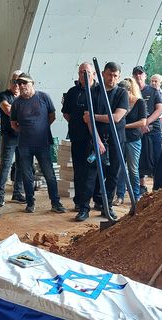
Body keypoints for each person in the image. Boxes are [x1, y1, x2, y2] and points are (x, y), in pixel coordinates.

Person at [10, 73, 66, 214]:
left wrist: (41, 128)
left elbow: (52, 116)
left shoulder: (43, 97)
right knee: (27, 175)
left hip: (42, 143)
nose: (22, 86)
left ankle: (55, 202)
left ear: (32, 83)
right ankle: (30, 203)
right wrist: (24, 132)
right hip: (24, 145)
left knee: (49, 174)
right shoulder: (17, 103)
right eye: (19, 83)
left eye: (25, 83)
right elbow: (13, 124)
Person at [62, 62, 108, 222]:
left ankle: (93, 204)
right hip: (78, 138)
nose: (84, 75)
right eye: (82, 72)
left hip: (96, 140)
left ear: (94, 74)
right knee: (80, 172)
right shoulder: (73, 92)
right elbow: (66, 114)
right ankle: (80, 203)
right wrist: (77, 124)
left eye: (88, 72)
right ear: (78, 74)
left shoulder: (101, 92)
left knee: (94, 174)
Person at [89, 62, 129, 219]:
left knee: (113, 173)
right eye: (109, 74)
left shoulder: (122, 93)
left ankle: (108, 205)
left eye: (115, 76)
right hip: (97, 138)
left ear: (118, 76)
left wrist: (95, 116)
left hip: (117, 139)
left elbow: (117, 118)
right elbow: (87, 118)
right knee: (96, 173)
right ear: (103, 74)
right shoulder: (94, 92)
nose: (112, 78)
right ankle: (98, 201)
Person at [132, 65, 162, 196]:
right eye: (136, 74)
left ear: (145, 75)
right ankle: (142, 186)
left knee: (157, 158)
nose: (138, 76)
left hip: (153, 130)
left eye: (141, 73)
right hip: (136, 131)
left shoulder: (153, 91)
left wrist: (146, 122)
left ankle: (158, 188)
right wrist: (139, 125)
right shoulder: (130, 91)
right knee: (139, 160)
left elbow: (159, 109)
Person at [113, 77, 146, 205]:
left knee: (133, 169)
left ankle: (135, 195)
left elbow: (143, 122)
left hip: (133, 139)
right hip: (121, 138)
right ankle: (120, 195)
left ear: (129, 91)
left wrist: (124, 126)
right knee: (120, 168)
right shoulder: (120, 102)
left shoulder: (139, 103)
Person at [0, 70, 25, 207]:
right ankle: (0, 195)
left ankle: (17, 192)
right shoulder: (3, 95)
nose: (16, 85)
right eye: (14, 81)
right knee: (5, 165)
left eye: (19, 82)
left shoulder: (24, 96)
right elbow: (8, 110)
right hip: (9, 136)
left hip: (23, 135)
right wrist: (25, 111)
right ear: (10, 82)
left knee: (21, 165)